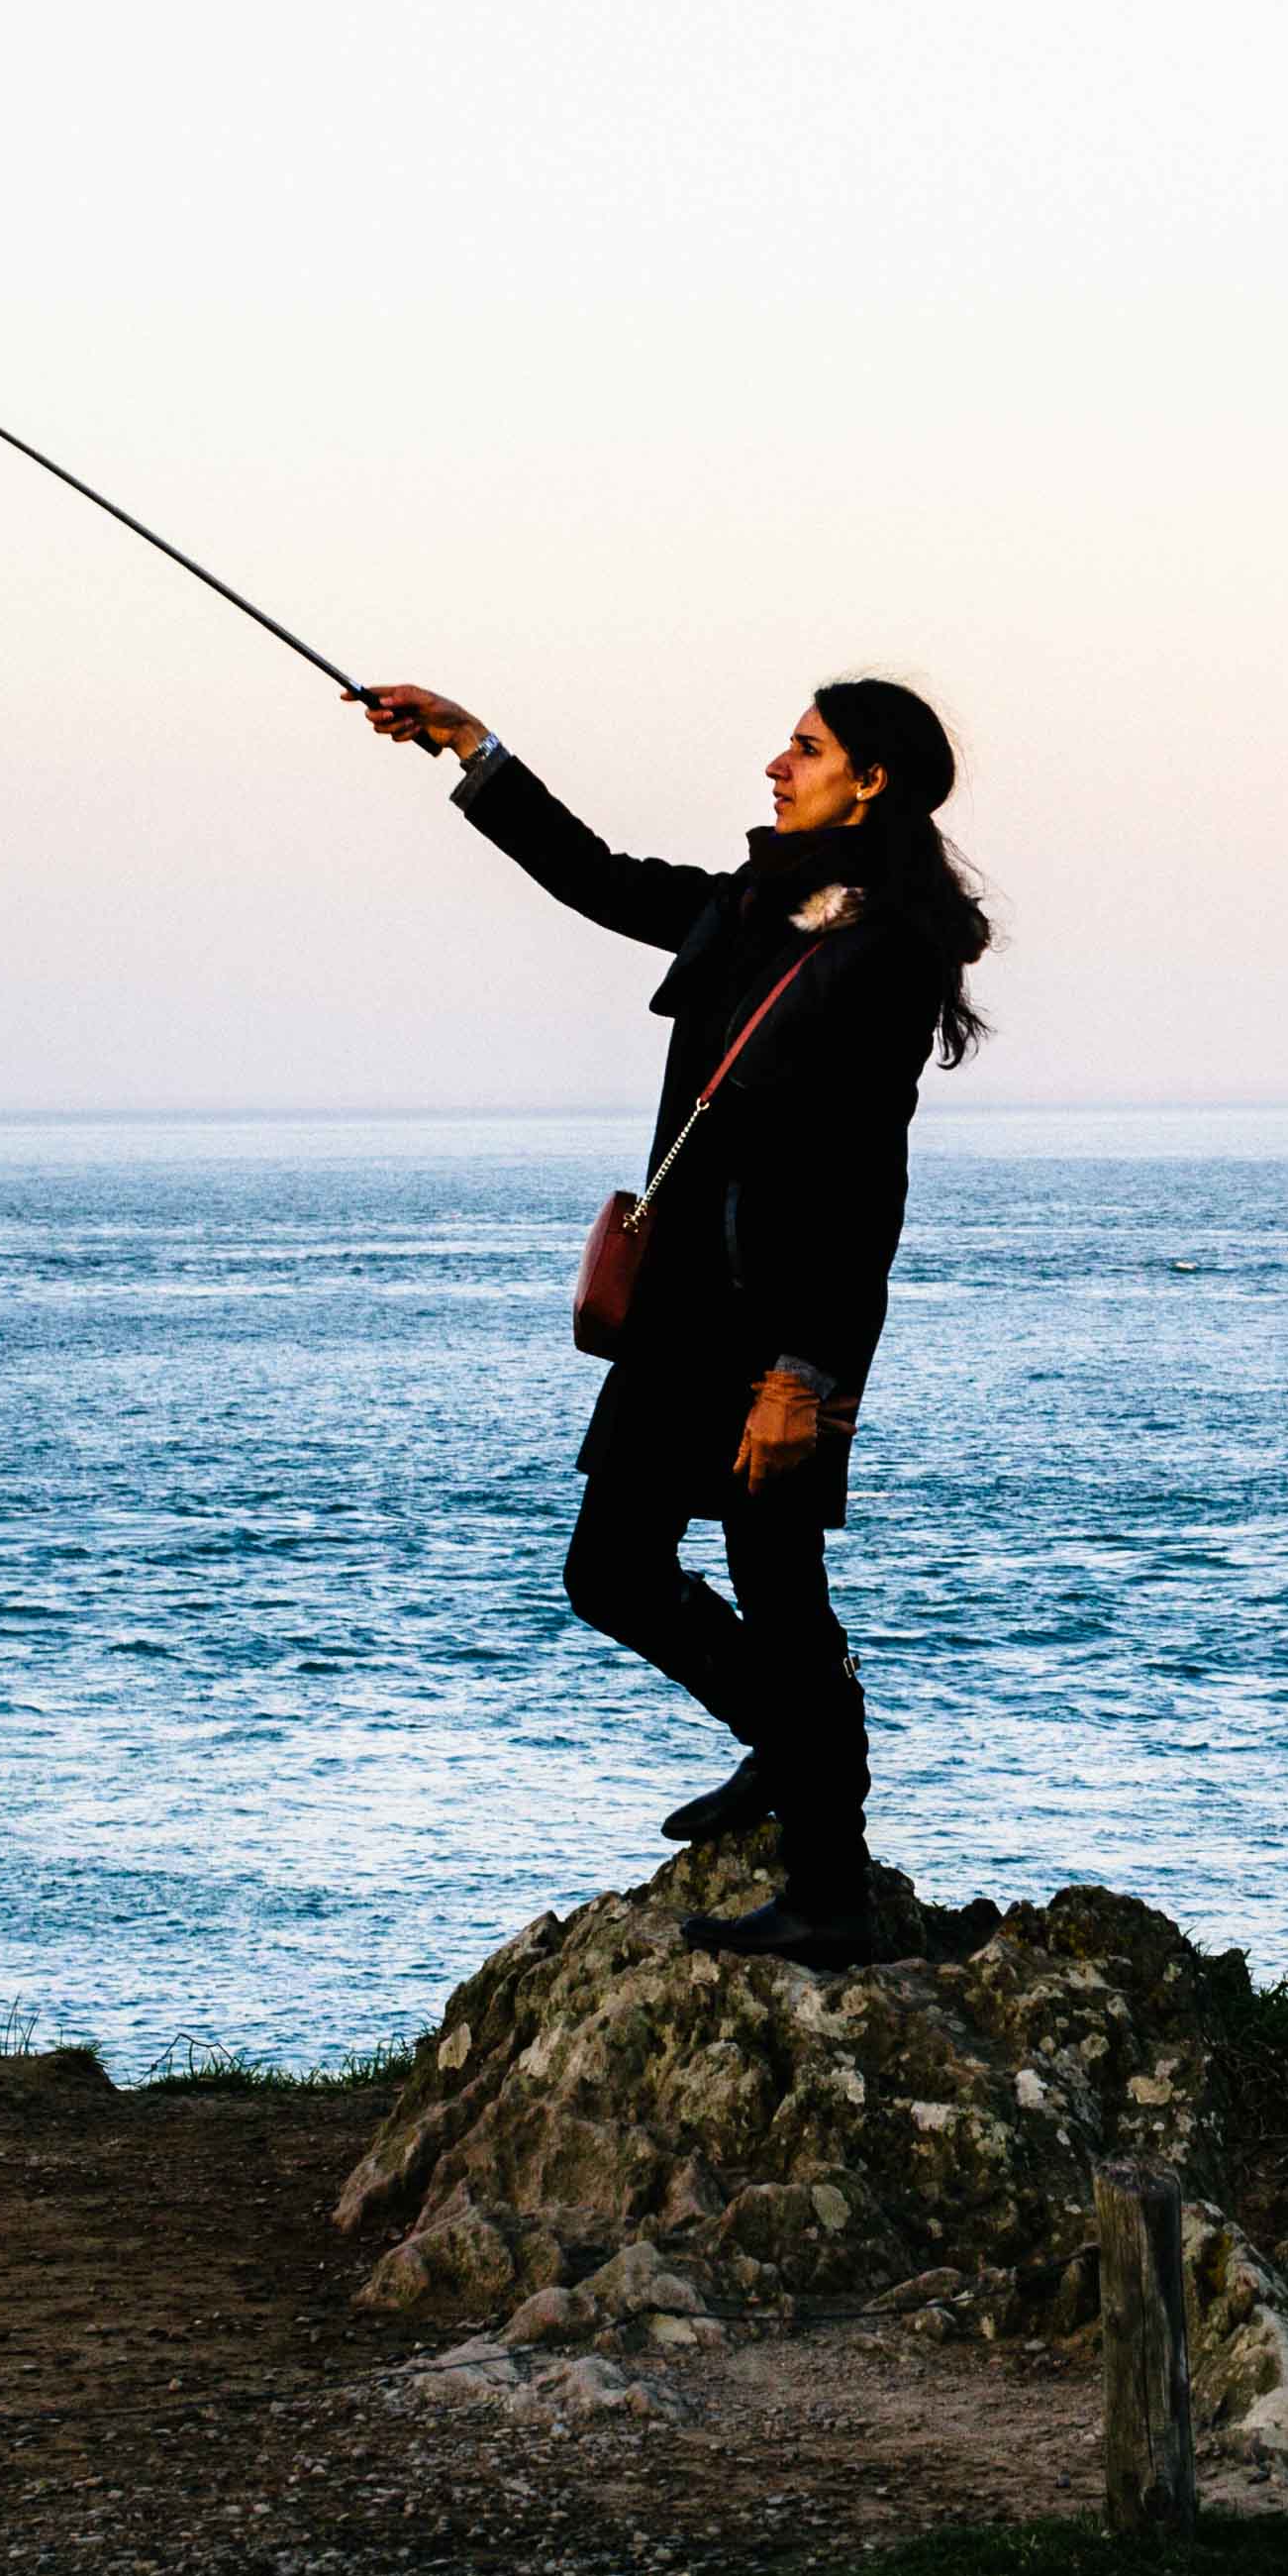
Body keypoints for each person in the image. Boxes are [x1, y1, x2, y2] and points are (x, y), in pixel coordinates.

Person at [357, 672, 991, 1968]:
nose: (775, 762)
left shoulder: (884, 951)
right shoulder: (752, 905)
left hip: (776, 1328)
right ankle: (794, 1745)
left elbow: (866, 1180)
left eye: (804, 749)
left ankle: (830, 1887)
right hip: (683, 1310)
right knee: (610, 1569)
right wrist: (470, 746)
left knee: (779, 1587)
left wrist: (806, 1373)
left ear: (867, 781)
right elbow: (593, 875)